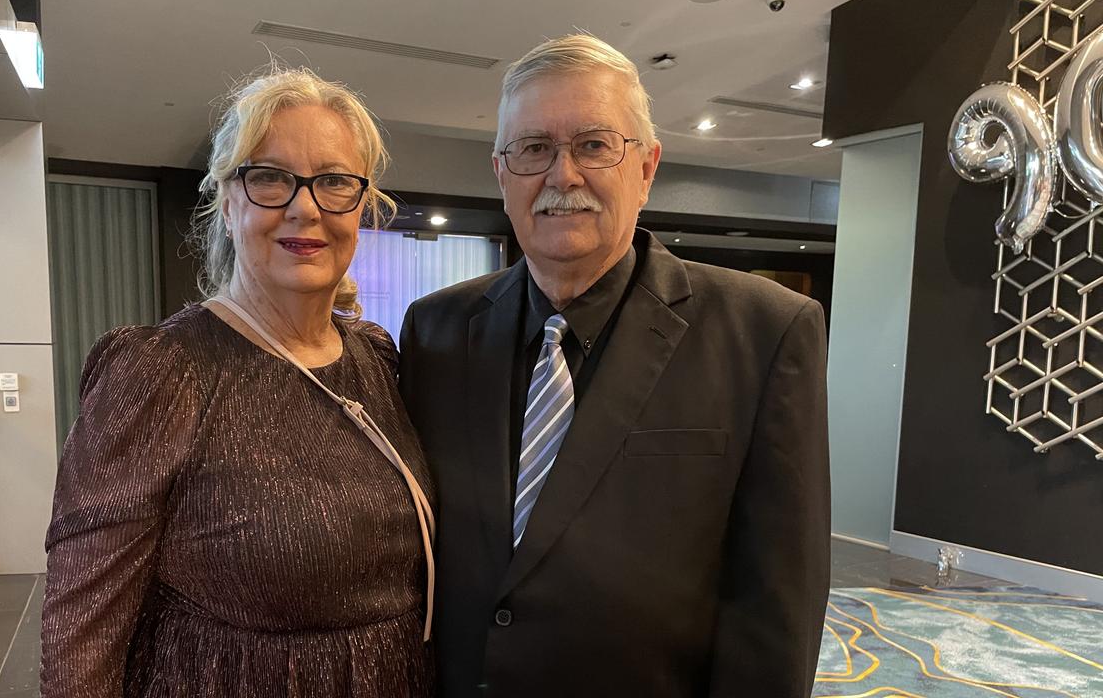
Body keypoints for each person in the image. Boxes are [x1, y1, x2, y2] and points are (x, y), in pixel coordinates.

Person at [398, 34, 830, 697]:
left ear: (648, 167)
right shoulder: (435, 331)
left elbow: (777, 606)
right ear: (501, 172)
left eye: (594, 145)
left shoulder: (765, 332)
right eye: (534, 148)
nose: (562, 176)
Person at [42, 66, 435, 698]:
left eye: (334, 181)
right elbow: (83, 627)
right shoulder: (162, 370)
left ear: (361, 205)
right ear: (228, 202)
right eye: (271, 178)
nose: (304, 207)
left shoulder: (376, 356)